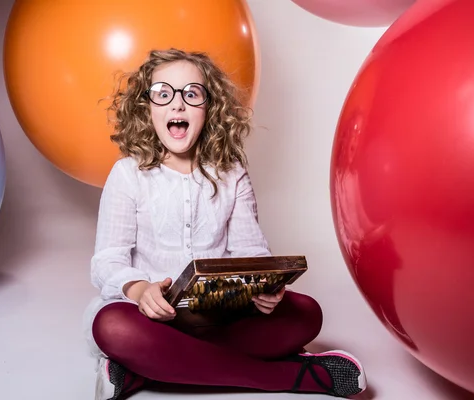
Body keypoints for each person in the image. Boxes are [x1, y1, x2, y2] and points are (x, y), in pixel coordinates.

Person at [82, 48, 367, 400]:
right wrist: (140, 290)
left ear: (209, 107)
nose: (177, 105)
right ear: (146, 108)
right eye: (162, 93)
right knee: (111, 326)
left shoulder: (232, 174)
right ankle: (288, 377)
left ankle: (145, 372)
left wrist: (265, 288)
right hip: (150, 319)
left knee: (306, 314)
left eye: (192, 94)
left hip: (219, 318)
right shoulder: (127, 175)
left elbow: (250, 251)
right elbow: (108, 260)